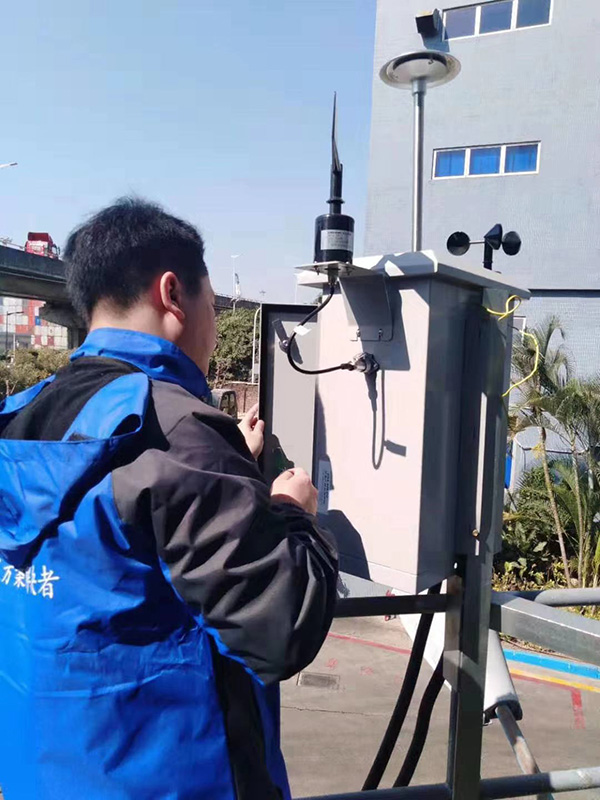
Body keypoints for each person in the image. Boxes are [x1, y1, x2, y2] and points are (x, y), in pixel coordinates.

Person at [0, 198, 338, 800]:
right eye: (213, 303)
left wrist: (229, 467)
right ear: (173, 293)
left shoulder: (21, 418)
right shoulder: (178, 431)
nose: (213, 321)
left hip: (44, 773)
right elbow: (281, 626)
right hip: (177, 779)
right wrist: (293, 512)